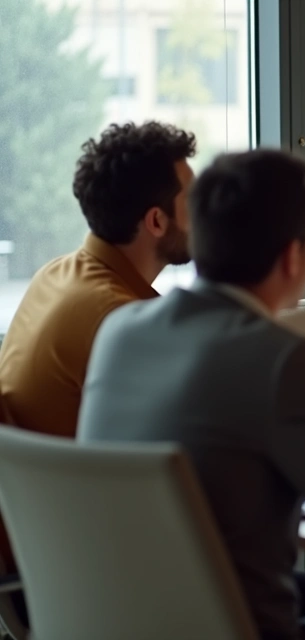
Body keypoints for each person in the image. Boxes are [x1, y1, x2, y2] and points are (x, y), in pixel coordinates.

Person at [78, 149, 305, 640]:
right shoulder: (279, 360)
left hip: (119, 619)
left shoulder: (120, 330)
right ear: (293, 255)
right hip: (226, 626)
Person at [0, 120, 196, 616]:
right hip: (95, 577)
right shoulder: (124, 320)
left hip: (45, 563)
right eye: (194, 203)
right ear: (157, 221)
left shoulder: (57, 274)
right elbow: (193, 460)